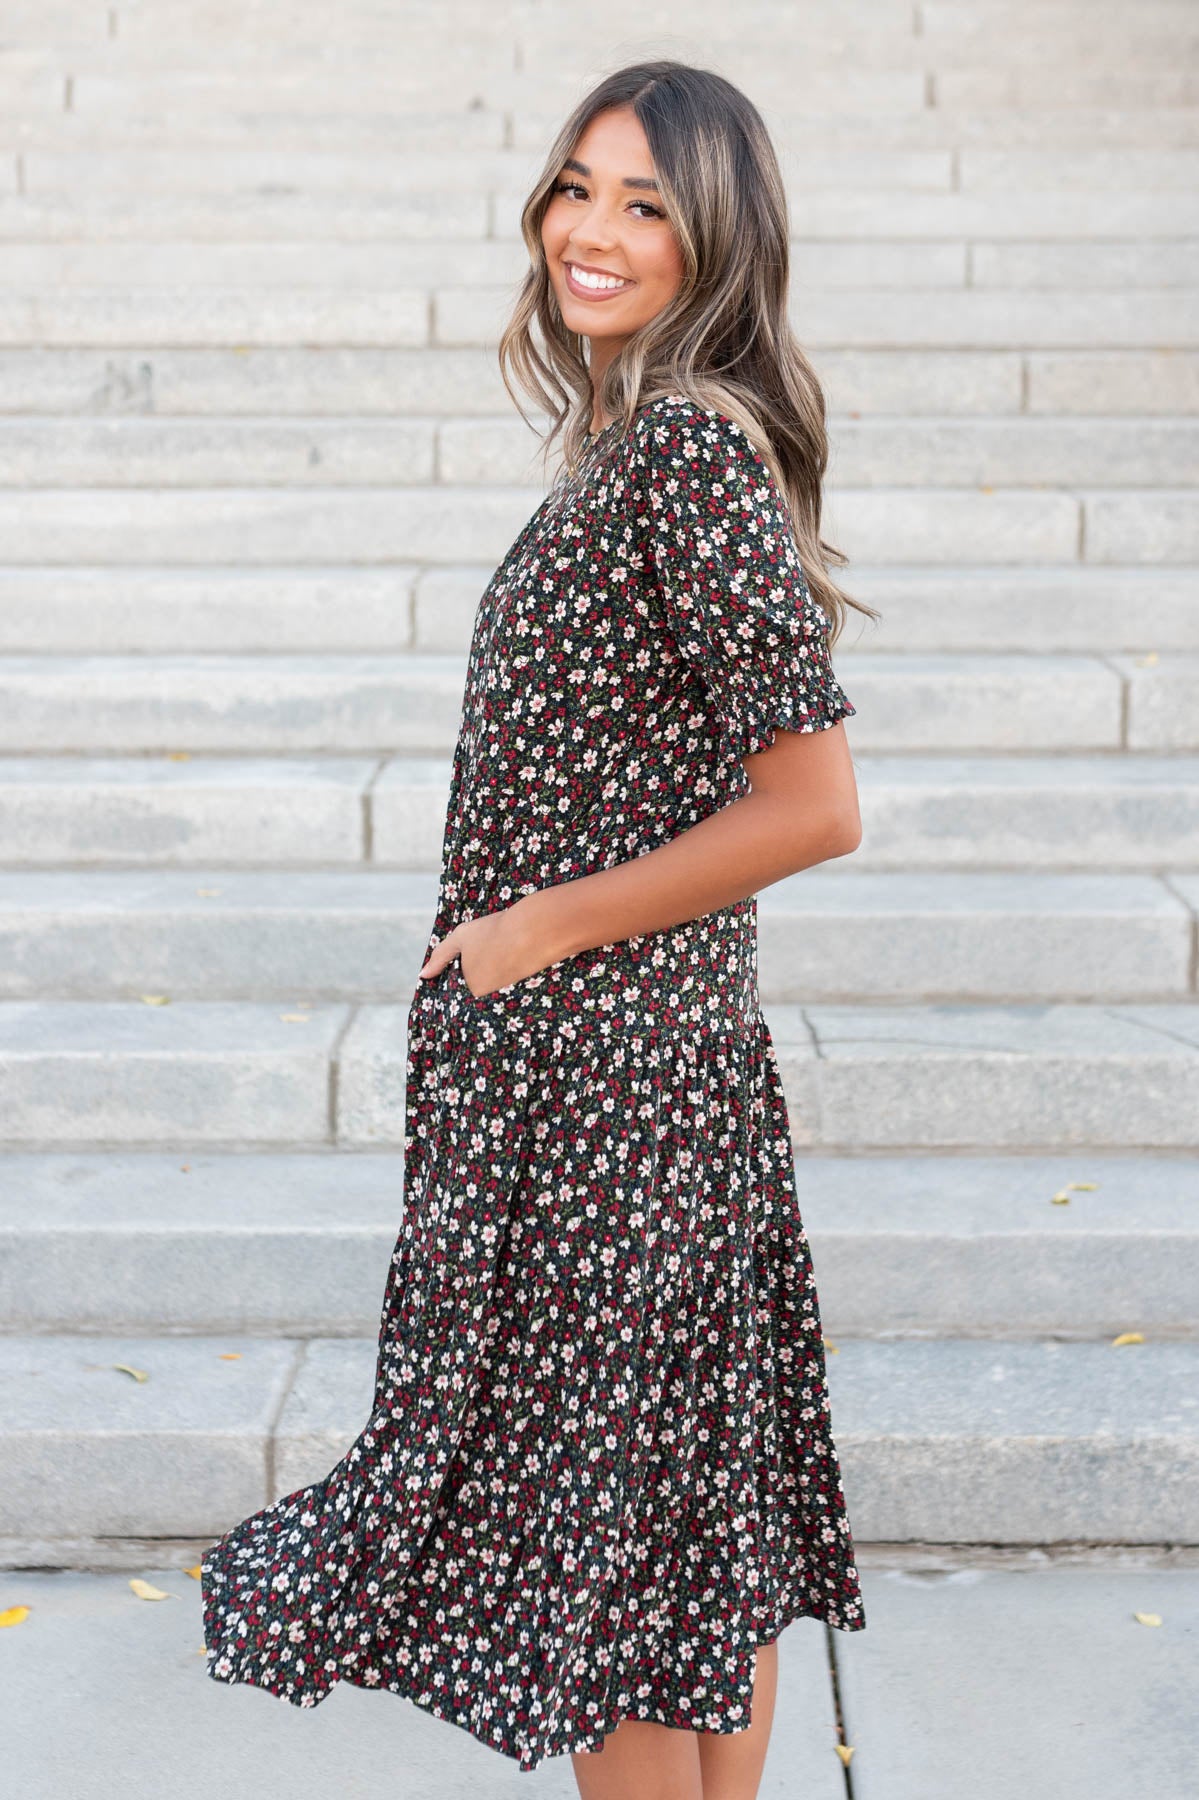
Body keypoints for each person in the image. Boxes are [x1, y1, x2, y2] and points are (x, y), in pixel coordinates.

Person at [201, 58, 870, 1800]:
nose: (590, 231)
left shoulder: (677, 461)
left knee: (616, 1594)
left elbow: (816, 805)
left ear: (718, 238)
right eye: (578, 187)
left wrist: (533, 933)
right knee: (685, 1571)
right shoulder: (646, 446)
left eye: (646, 204)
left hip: (609, 1107)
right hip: (647, 1094)